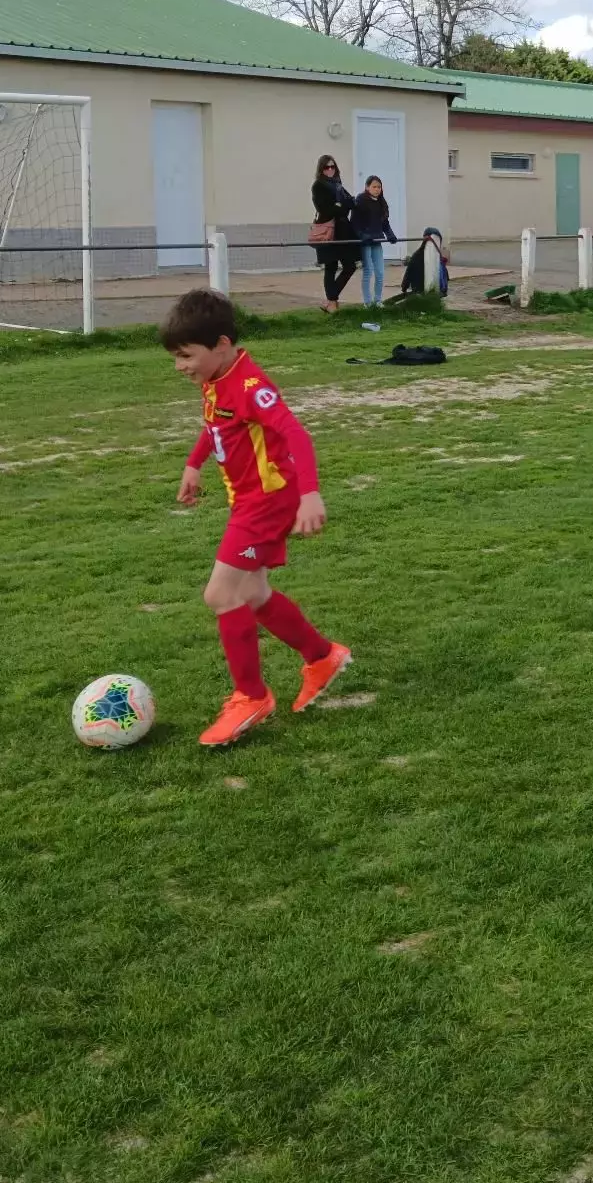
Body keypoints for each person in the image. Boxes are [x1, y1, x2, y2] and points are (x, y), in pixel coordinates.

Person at [164, 289, 353, 748]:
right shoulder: (216, 380)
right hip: (248, 501)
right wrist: (194, 463)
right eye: (175, 357)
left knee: (221, 593)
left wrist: (310, 495)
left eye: (187, 355)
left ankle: (250, 696)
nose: (180, 366)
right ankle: (322, 656)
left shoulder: (251, 387)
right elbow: (216, 426)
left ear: (222, 344)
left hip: (266, 504)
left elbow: (297, 435)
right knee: (251, 592)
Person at [310, 155, 357, 313]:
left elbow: (351, 201)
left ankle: (331, 300)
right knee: (331, 267)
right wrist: (341, 206)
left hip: (343, 231)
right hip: (329, 231)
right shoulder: (318, 186)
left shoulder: (338, 184)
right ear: (321, 169)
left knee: (350, 265)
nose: (330, 170)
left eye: (332, 167)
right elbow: (324, 209)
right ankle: (332, 303)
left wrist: (340, 205)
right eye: (326, 167)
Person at [349, 175, 398, 309]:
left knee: (380, 272)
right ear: (367, 187)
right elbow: (354, 222)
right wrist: (362, 235)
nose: (377, 189)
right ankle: (368, 302)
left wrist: (390, 235)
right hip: (365, 242)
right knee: (368, 271)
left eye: (379, 187)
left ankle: (377, 301)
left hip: (376, 240)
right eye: (374, 187)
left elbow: (385, 223)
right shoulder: (361, 200)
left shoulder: (381, 202)